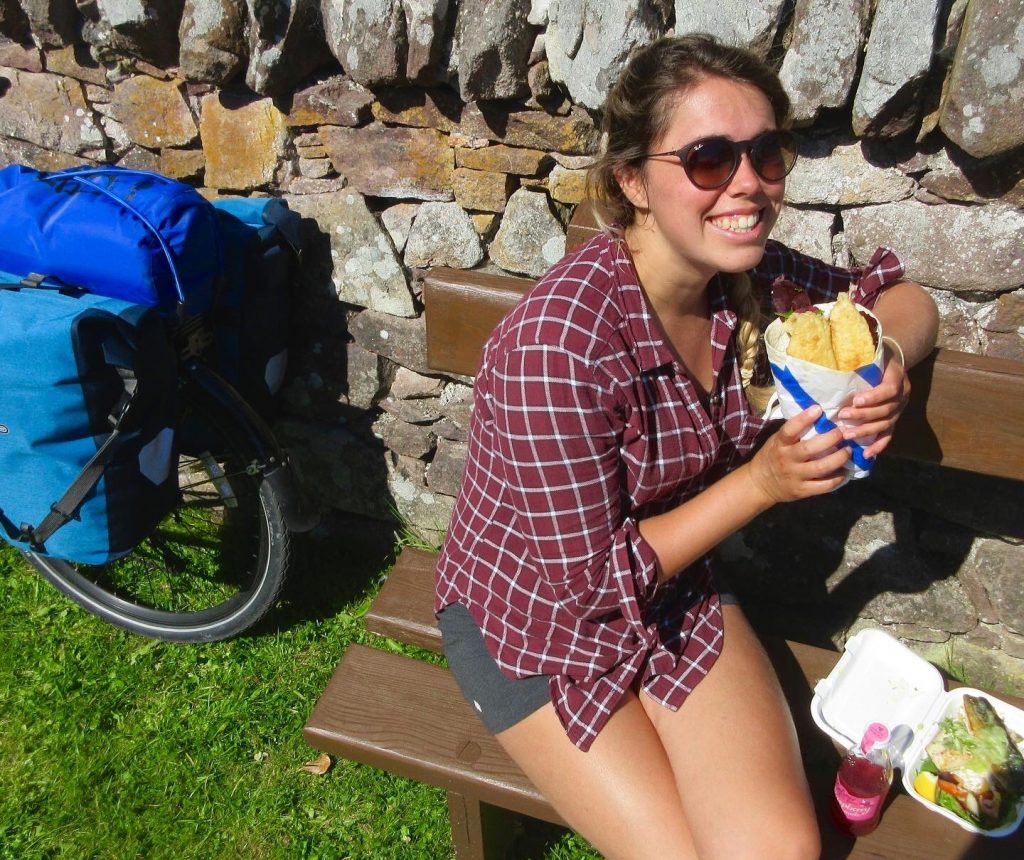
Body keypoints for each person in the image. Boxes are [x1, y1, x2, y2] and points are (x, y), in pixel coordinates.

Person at [434, 33, 939, 860]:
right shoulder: (560, 345)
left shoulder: (748, 280)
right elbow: (589, 580)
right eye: (708, 158)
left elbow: (896, 292)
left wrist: (884, 359)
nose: (747, 184)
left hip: (672, 588)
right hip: (532, 620)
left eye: (766, 153)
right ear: (633, 179)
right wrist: (764, 485)